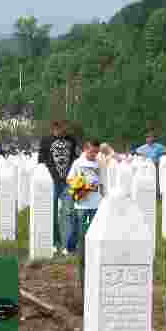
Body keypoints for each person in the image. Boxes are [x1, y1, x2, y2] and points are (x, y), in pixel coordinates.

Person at [66, 140, 103, 298]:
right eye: (91, 152)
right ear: (85, 149)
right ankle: (82, 263)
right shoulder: (78, 163)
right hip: (82, 206)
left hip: (96, 205)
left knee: (94, 237)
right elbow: (69, 179)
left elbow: (102, 184)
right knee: (83, 237)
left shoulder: (99, 164)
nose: (93, 155)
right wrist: (79, 186)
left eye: (96, 152)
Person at [39, 120, 78, 255]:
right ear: (54, 129)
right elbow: (41, 160)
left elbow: (74, 158)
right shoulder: (46, 140)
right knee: (52, 212)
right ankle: (54, 242)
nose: (62, 131)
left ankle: (67, 245)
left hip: (68, 181)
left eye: (64, 129)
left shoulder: (71, 140)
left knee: (69, 212)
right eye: (59, 129)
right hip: (52, 181)